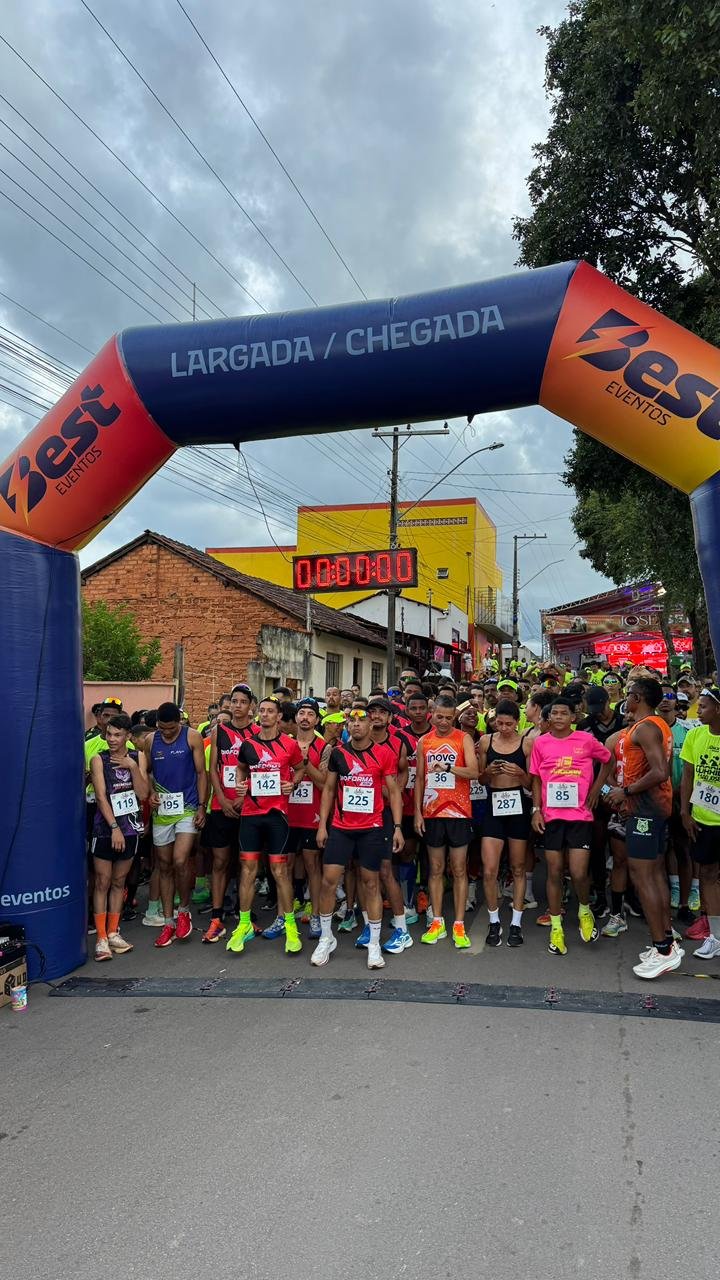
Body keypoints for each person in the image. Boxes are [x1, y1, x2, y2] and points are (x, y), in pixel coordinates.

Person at [311, 708, 404, 969]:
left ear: (370, 723)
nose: (355, 725)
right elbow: (329, 789)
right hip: (341, 827)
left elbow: (394, 792)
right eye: (351, 721)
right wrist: (322, 826)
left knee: (371, 883)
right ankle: (326, 938)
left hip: (372, 827)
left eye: (360, 720)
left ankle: (374, 945)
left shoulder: (384, 753)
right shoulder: (338, 753)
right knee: (329, 881)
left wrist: (397, 827)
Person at [605, 677, 680, 979]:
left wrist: (627, 791)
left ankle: (663, 949)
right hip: (650, 809)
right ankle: (666, 939)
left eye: (628, 694)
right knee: (654, 875)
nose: (625, 698)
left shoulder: (647, 727)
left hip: (647, 810)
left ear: (637, 698)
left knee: (643, 876)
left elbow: (660, 771)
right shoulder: (654, 724)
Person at [530, 697, 612, 956]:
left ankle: (584, 909)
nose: (558, 717)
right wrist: (536, 810)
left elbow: (608, 760)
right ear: (548, 718)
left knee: (578, 872)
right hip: (552, 817)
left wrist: (597, 789)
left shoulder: (586, 740)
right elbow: (535, 780)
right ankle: (556, 926)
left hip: (580, 816)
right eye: (554, 713)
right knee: (554, 871)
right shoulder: (540, 742)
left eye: (563, 713)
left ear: (573, 717)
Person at [225, 696, 305, 955]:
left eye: (271, 711)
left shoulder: (289, 744)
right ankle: (245, 924)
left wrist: (293, 783)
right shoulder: (248, 745)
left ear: (279, 716)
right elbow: (240, 769)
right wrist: (239, 787)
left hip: (277, 815)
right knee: (247, 869)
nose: (266, 715)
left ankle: (291, 927)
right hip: (251, 814)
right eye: (263, 711)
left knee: (279, 871)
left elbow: (301, 768)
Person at [415, 696, 479, 949]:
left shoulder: (463, 738)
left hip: (459, 813)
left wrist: (449, 767)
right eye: (439, 717)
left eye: (448, 718)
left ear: (455, 717)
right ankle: (438, 921)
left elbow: (474, 772)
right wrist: (419, 813)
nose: (443, 722)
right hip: (432, 813)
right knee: (436, 869)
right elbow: (419, 779)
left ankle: (459, 924)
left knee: (459, 869)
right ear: (432, 714)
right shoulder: (424, 741)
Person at [145, 703, 208, 948]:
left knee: (181, 860)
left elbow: (201, 773)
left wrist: (202, 806)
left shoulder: (192, 737)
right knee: (164, 865)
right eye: (162, 729)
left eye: (171, 729)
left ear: (179, 723)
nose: (166, 733)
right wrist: (150, 793)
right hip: (163, 809)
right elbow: (147, 772)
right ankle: (169, 922)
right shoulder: (151, 740)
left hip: (188, 806)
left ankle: (184, 910)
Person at [89, 713, 149, 960]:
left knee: (119, 881)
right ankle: (101, 938)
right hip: (106, 828)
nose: (112, 739)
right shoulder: (98, 760)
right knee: (102, 881)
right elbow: (101, 796)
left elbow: (143, 793)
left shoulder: (138, 757)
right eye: (109, 734)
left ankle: (114, 932)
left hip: (131, 827)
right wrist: (113, 827)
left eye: (117, 735)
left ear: (127, 736)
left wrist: (133, 767)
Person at [202, 684, 258, 944]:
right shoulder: (219, 731)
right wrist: (223, 799)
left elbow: (261, 771)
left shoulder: (258, 732)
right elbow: (212, 769)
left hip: (249, 806)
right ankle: (216, 916)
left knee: (246, 863)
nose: (237, 706)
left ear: (251, 706)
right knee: (220, 862)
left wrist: (241, 797)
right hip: (221, 806)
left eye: (242, 701)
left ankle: (245, 914)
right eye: (233, 701)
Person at [477, 699, 533, 947]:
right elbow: (481, 779)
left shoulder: (527, 743)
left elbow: (533, 783)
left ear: (517, 722)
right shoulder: (487, 741)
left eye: (509, 724)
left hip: (518, 805)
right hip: (494, 804)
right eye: (499, 723)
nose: (503, 728)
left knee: (518, 868)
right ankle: (493, 920)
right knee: (489, 869)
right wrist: (489, 771)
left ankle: (516, 922)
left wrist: (520, 774)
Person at [680, 686, 720, 959]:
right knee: (707, 875)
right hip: (703, 819)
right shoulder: (695, 734)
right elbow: (688, 777)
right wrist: (685, 812)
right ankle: (716, 936)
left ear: (717, 709)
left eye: (703, 706)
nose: (698, 711)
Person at [287, 697, 330, 939]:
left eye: (310, 714)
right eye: (301, 713)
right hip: (287, 814)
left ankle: (315, 916)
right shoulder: (284, 743)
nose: (305, 717)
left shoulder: (324, 747)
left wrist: (303, 763)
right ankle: (286, 916)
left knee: (313, 865)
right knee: (287, 866)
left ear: (316, 719)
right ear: (295, 717)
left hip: (311, 815)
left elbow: (324, 782)